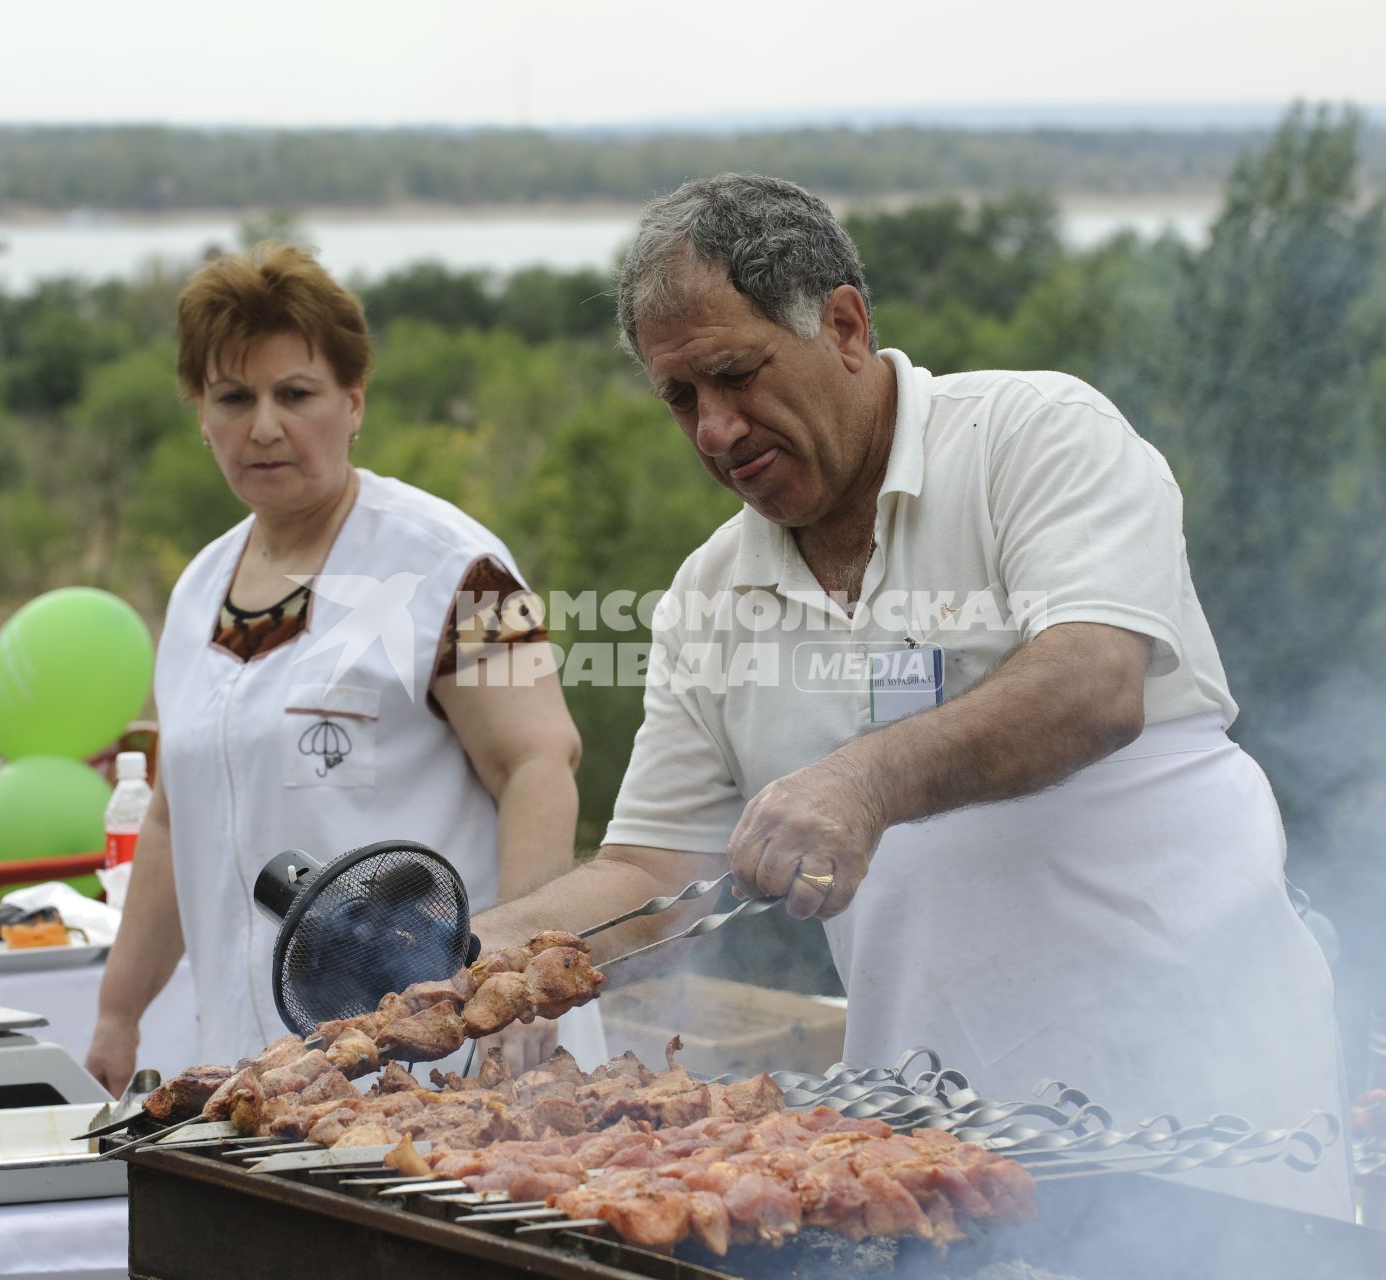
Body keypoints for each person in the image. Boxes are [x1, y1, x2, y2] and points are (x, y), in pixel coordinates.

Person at [470, 174, 1352, 1218]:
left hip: (1194, 1122)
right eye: (678, 397)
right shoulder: (708, 597)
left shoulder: (1035, 437)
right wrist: (500, 950)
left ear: (843, 324)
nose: (712, 428)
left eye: (733, 374)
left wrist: (862, 779)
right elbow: (652, 864)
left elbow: (1093, 680)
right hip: (928, 1160)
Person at [85, 243, 600, 1089]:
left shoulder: (458, 566)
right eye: (232, 398)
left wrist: (518, 996)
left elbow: (540, 763)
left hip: (442, 1069)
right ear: (201, 417)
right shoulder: (195, 591)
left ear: (353, 403)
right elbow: (175, 822)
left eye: (295, 394)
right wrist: (116, 1014)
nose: (263, 426)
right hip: (258, 1078)